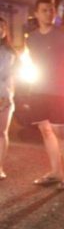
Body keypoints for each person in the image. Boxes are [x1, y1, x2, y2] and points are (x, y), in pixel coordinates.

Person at [26, 0, 64, 190]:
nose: (49, 13)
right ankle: (55, 172)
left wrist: (63, 80)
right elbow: (31, 62)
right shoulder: (32, 38)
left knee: (60, 130)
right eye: (44, 10)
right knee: (45, 130)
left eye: (51, 10)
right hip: (38, 90)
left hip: (60, 90)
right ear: (36, 14)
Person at [0, 17, 17, 180]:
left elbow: (10, 77)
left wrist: (6, 97)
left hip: (3, 98)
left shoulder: (10, 53)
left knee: (1, 133)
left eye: (2, 28)